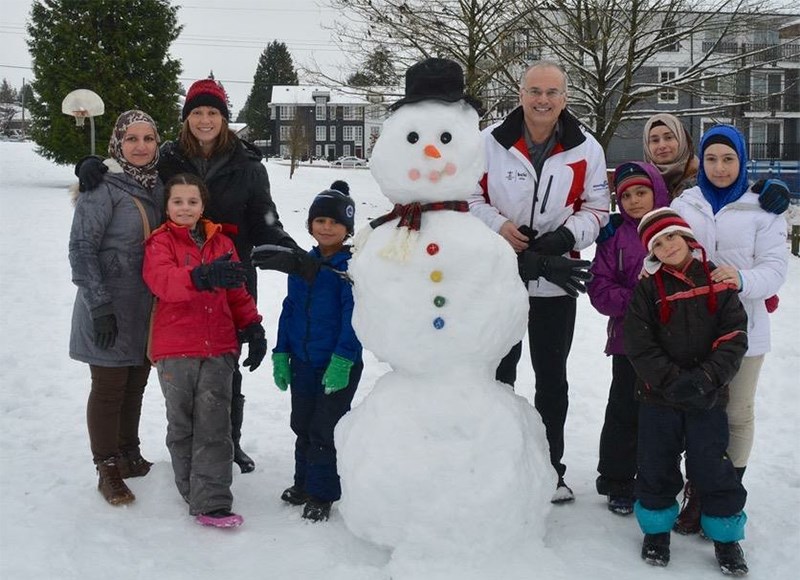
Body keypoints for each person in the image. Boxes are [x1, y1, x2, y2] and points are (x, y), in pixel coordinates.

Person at [78, 78, 312, 473]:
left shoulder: (249, 166)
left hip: (229, 277)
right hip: (179, 278)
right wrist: (95, 165)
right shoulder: (169, 159)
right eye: (197, 112)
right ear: (187, 119)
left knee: (226, 365)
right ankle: (184, 442)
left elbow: (264, 219)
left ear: (224, 117)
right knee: (183, 368)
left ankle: (228, 442)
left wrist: (295, 252)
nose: (205, 120)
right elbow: (132, 169)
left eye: (213, 112)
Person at [469, 60, 609, 503]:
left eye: (552, 92)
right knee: (497, 375)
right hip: (498, 278)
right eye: (535, 91)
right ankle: (495, 464)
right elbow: (467, 196)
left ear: (565, 98)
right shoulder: (489, 142)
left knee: (552, 379)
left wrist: (568, 236)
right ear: (521, 93)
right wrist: (496, 225)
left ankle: (551, 469)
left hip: (555, 281)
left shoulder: (586, 148)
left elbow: (598, 208)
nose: (543, 100)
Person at [669, 125, 788, 535]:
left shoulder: (764, 208)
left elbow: (775, 271)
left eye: (729, 159)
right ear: (702, 161)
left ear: (742, 161)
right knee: (698, 414)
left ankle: (727, 493)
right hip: (691, 331)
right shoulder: (686, 204)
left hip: (745, 331)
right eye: (713, 158)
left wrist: (740, 279)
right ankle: (698, 491)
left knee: (737, 414)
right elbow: (664, 251)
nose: (720, 168)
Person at [624, 207, 749, 575]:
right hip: (658, 397)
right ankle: (657, 530)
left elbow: (734, 335)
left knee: (711, 465)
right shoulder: (647, 289)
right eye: (658, 244)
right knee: (656, 463)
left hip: (708, 396)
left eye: (671, 237)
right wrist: (671, 380)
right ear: (652, 252)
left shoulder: (716, 279)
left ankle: (726, 537)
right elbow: (639, 343)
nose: (667, 247)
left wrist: (706, 379)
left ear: (687, 238)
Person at [142, 173, 267, 528]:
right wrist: (199, 277)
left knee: (215, 425)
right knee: (183, 425)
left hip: (218, 347)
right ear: (166, 206)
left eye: (192, 202)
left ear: (202, 205)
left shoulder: (221, 242)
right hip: (175, 350)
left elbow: (236, 291)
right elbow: (162, 281)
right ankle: (189, 489)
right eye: (177, 201)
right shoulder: (159, 243)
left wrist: (252, 326)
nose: (185, 208)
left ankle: (212, 502)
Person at [69, 110, 164, 506]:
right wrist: (99, 304)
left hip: (145, 306)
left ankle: (128, 451)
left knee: (136, 384)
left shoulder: (159, 185)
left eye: (148, 139)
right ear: (117, 143)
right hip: (106, 305)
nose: (140, 147)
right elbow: (81, 249)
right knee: (109, 388)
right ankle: (106, 466)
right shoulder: (101, 186)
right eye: (131, 139)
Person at [270, 182, 362, 522]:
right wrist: (282, 353)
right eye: (320, 220)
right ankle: (303, 483)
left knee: (325, 428)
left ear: (347, 228)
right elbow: (289, 308)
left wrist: (343, 360)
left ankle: (323, 492)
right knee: (302, 424)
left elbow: (355, 318)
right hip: (303, 363)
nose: (326, 227)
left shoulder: (349, 268)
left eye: (334, 222)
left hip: (337, 363)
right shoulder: (302, 264)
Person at [587, 162, 671, 515]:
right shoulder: (616, 236)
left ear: (657, 192)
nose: (635, 201)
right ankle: (618, 479)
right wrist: (637, 301)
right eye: (627, 196)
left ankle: (660, 478)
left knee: (664, 414)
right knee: (624, 409)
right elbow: (599, 287)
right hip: (628, 342)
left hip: (671, 342)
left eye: (642, 192)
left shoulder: (674, 229)